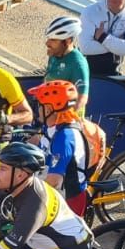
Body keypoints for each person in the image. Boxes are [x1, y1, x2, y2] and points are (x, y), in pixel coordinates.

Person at [27, 80, 96, 213]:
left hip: (68, 200)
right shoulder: (53, 126)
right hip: (55, 191)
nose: (37, 109)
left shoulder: (65, 137)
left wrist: (28, 198)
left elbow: (53, 180)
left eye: (39, 105)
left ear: (48, 109)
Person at [43, 16, 89, 111]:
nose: (47, 43)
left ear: (68, 41)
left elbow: (82, 98)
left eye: (53, 40)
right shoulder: (55, 54)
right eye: (48, 38)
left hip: (66, 118)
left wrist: (64, 113)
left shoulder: (77, 63)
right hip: (48, 114)